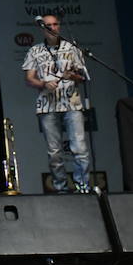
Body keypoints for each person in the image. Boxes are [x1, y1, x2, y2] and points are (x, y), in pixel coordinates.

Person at [23, 14, 92, 194]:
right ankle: (60, 188)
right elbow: (29, 79)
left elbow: (83, 77)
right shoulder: (34, 51)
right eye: (48, 25)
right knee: (54, 152)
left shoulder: (71, 47)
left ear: (59, 26)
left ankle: (82, 187)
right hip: (47, 105)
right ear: (42, 28)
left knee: (80, 148)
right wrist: (44, 84)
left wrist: (73, 76)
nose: (52, 28)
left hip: (71, 103)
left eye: (55, 24)